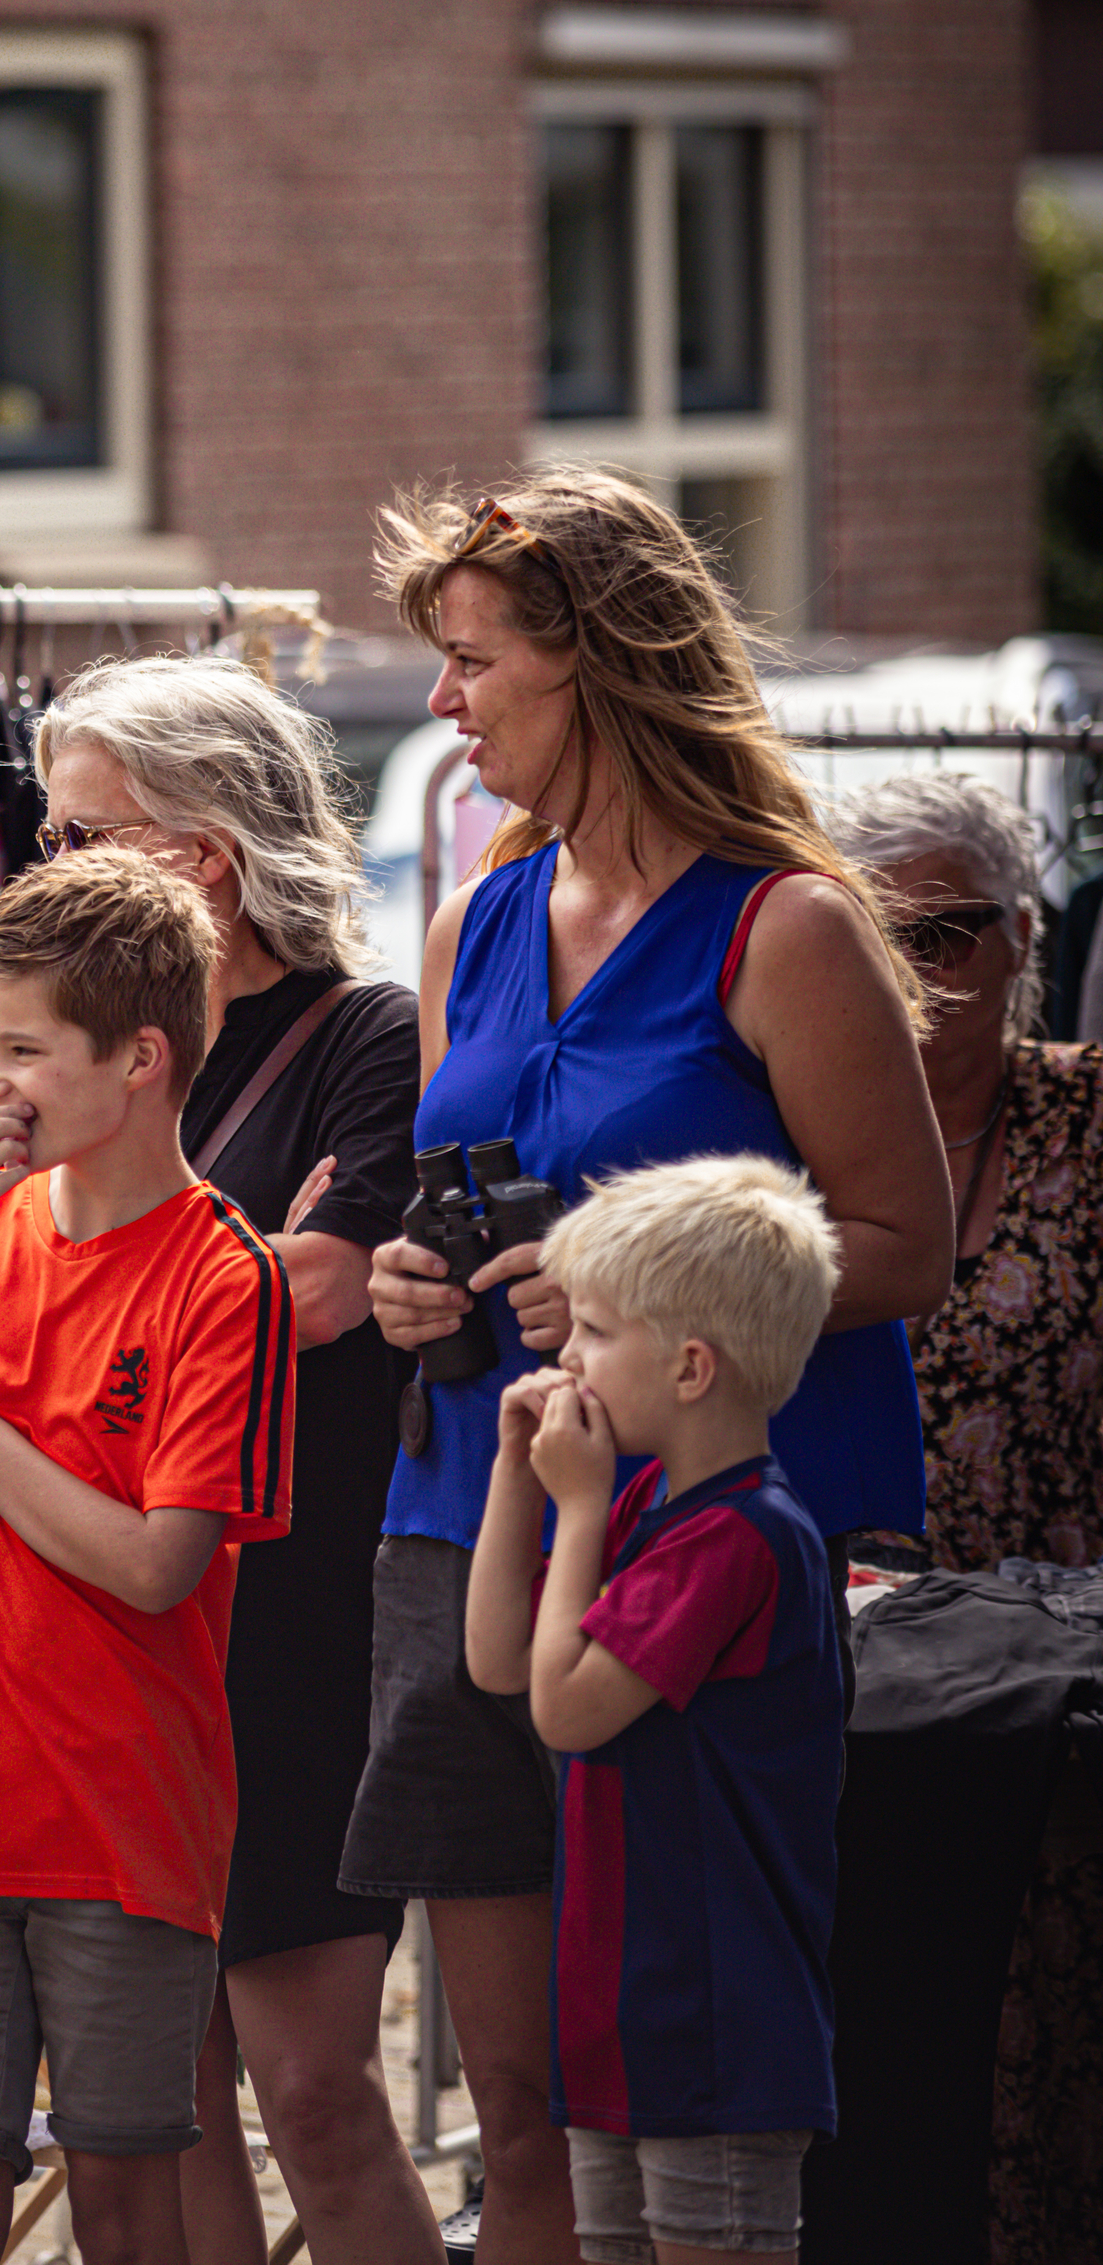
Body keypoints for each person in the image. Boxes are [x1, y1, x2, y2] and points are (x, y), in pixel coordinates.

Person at [340, 469, 953, 2265]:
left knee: (688, 2101)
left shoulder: (788, 929)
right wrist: (414, 1285)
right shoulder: (474, 926)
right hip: (468, 1534)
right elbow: (470, 1204)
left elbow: (904, 1245)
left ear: (596, 661)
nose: (442, 707)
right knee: (515, 2107)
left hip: (705, 1558)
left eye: (471, 664)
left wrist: (641, 1296)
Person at [34, 655, 443, 2265]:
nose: (49, 872)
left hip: (290, 1627)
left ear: (196, 852)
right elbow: (39, 1317)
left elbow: (328, 1293)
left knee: (316, 2092)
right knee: (157, 2104)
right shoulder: (86, 1044)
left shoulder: (367, 1034)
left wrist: (138, 1306)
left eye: (79, 838)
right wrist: (224, 1278)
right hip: (116, 1622)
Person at [0, 849, 298, 2265]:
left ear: (142, 1058)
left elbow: (158, 1563)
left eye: (24, 1049)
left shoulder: (224, 1273)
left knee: (122, 2199)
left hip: (123, 1817)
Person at [466, 1156, 844, 2265]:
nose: (562, 1358)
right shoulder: (641, 1504)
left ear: (688, 1367)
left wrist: (574, 1506)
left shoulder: (740, 1535)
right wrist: (514, 1481)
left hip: (715, 2028)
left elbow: (566, 1712)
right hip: (625, 2021)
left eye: (589, 1332)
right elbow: (496, 1661)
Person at [830, 769, 1103, 2265]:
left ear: (1016, 937)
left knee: (1056, 2005)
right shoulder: (784, 1134)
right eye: (879, 939)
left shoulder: (1087, 1117)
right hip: (868, 1685)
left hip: (1067, 1671)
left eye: (946, 936)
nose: (917, 977)